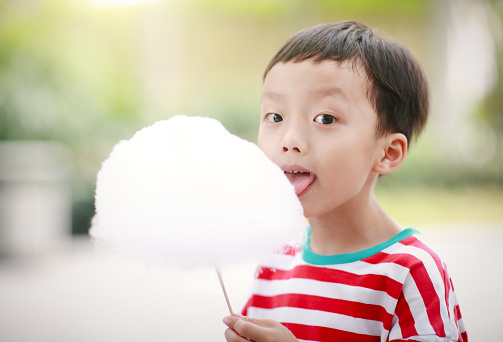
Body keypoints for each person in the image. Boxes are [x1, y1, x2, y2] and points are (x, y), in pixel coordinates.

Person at [222, 21, 467, 342]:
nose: (290, 140)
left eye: (325, 118)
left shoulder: (410, 273)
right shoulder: (274, 259)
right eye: (275, 117)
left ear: (388, 153)